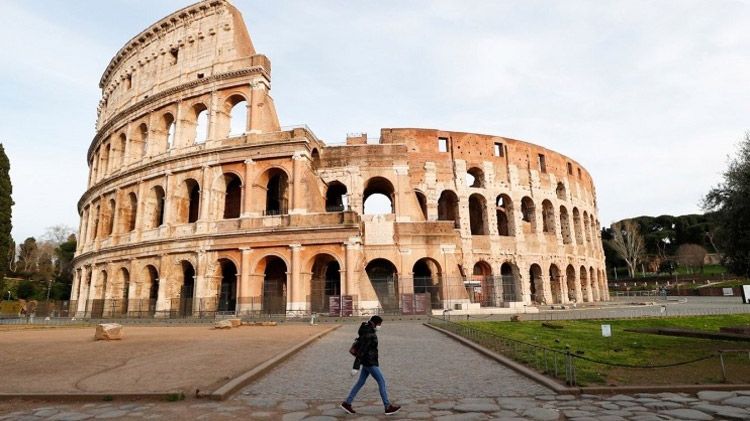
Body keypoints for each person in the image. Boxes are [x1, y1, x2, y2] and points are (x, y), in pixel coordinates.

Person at [340, 315, 400, 415]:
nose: (380, 326)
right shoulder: (369, 333)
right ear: (375, 323)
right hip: (370, 362)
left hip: (368, 361)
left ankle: (347, 403)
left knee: (360, 382)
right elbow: (362, 350)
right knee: (381, 381)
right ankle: (387, 406)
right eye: (380, 324)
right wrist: (356, 366)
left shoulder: (368, 329)